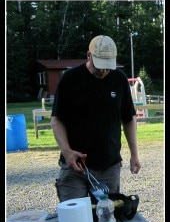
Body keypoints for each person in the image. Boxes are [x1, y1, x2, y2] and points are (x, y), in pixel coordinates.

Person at [51, 35, 141, 203]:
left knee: (105, 219)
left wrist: (134, 154)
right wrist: (67, 152)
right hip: (75, 166)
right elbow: (57, 120)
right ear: (88, 55)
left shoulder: (119, 79)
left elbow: (129, 118)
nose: (103, 71)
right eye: (99, 65)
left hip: (109, 166)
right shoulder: (70, 79)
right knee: (74, 218)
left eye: (107, 66)